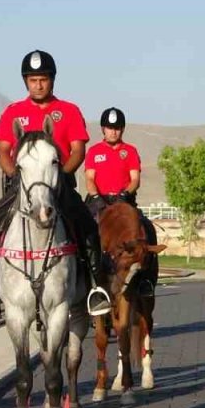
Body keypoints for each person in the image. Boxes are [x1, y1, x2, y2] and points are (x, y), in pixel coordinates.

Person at [0, 49, 110, 321]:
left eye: (43, 79)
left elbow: (78, 150)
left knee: (88, 227)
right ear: (26, 82)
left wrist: (62, 177)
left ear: (52, 80)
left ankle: (95, 289)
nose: (38, 84)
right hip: (20, 187)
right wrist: (16, 177)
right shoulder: (13, 112)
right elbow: (2, 151)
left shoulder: (68, 111)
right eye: (33, 80)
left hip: (60, 186)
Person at [85, 107, 158, 296]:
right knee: (85, 232)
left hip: (124, 200)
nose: (113, 131)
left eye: (117, 128)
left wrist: (125, 194)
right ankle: (87, 282)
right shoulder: (94, 151)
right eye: (110, 128)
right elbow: (89, 178)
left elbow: (135, 179)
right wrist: (95, 197)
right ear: (103, 129)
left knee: (146, 228)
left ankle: (146, 281)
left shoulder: (130, 151)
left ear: (122, 129)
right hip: (99, 200)